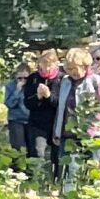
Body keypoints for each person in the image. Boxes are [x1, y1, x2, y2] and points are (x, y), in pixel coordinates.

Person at [58, 45, 100, 192]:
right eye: (69, 68)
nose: (72, 72)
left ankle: (91, 194)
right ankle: (69, 196)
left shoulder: (96, 81)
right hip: (70, 132)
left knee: (92, 165)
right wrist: (57, 131)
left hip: (93, 133)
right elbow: (61, 108)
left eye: (75, 68)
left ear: (86, 65)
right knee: (70, 166)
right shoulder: (65, 82)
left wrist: (90, 128)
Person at [24, 45, 63, 182]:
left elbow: (61, 104)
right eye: (42, 66)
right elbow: (28, 103)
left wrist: (49, 96)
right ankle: (35, 182)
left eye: (48, 66)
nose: (45, 70)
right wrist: (38, 97)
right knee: (37, 153)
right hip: (37, 124)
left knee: (56, 156)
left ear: (55, 65)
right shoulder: (33, 79)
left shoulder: (62, 79)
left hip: (56, 124)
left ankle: (56, 183)